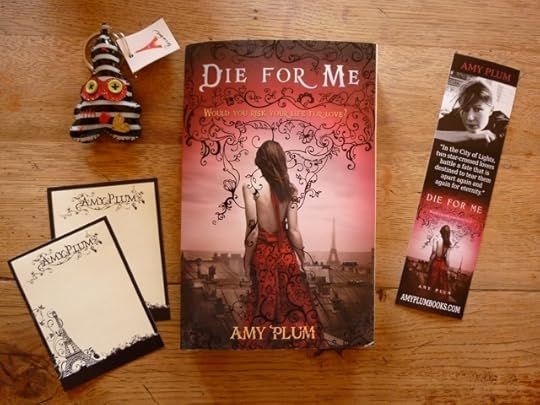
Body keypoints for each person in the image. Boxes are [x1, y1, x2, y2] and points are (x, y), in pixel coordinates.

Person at [239, 140, 323, 349]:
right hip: (285, 253)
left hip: (262, 254)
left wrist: (246, 261)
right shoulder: (290, 190)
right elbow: (293, 230)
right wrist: (302, 260)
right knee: (293, 306)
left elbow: (253, 229)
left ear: (260, 161)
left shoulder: (250, 187)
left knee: (263, 304)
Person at [435, 78, 509, 148]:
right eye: (465, 109)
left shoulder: (502, 124)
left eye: (477, 109)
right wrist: (468, 136)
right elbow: (431, 133)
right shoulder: (456, 115)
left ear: (491, 110)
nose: (469, 117)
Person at [427, 225, 452, 299]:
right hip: (443, 265)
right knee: (441, 284)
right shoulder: (449, 244)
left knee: (432, 282)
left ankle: (430, 298)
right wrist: (448, 269)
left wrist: (428, 265)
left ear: (441, 231)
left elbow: (434, 253)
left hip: (435, 263)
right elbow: (447, 259)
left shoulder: (436, 239)